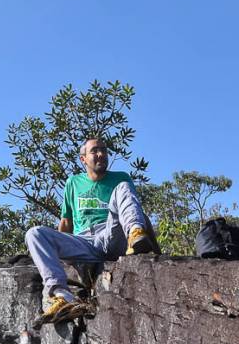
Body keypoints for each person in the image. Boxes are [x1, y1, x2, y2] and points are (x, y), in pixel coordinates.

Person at [25, 138, 154, 326]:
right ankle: (62, 296)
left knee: (123, 188)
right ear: (83, 159)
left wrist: (154, 250)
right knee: (34, 233)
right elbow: (66, 222)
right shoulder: (73, 183)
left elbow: (134, 209)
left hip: (111, 234)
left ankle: (135, 233)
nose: (101, 154)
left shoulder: (120, 178)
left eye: (104, 150)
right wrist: (59, 254)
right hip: (83, 241)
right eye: (95, 151)